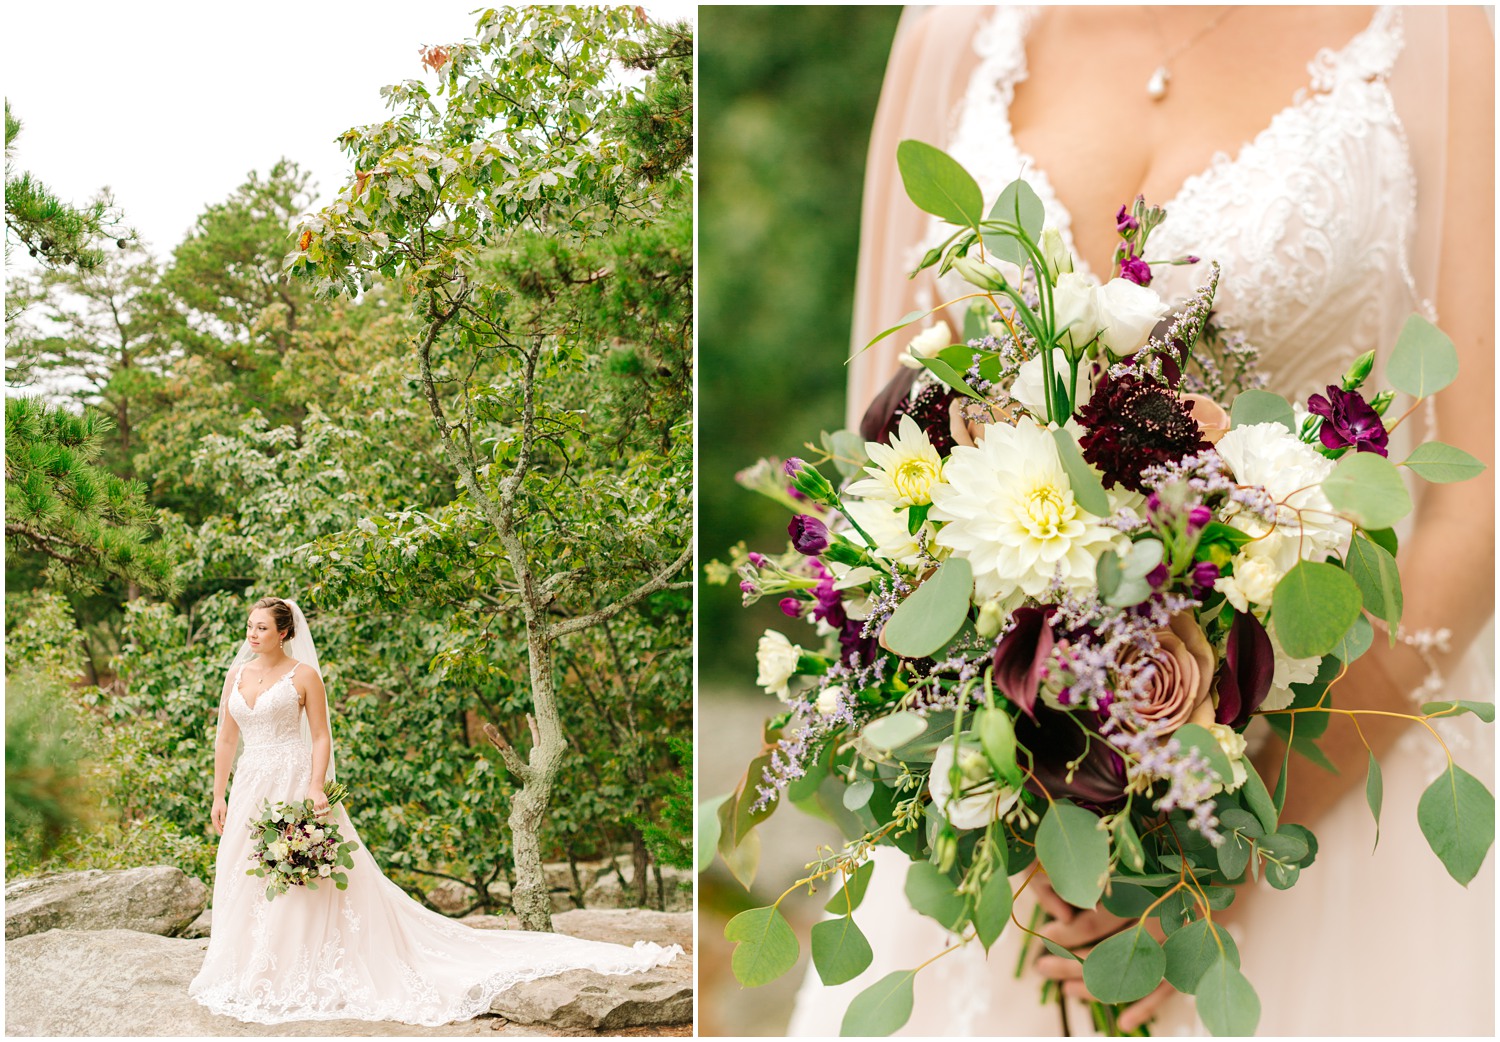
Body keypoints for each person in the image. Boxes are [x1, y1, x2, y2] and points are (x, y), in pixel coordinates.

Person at [789, 6, 1494, 1036]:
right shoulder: (954, 29)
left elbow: (1481, 491)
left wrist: (1214, 858)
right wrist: (999, 802)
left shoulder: (1441, 32)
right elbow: (888, 458)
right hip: (1022, 838)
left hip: (1332, 766)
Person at [187, 596, 679, 1026]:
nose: (252, 635)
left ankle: (297, 965)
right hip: (251, 782)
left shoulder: (304, 675)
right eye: (249, 627)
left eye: (262, 628)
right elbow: (226, 736)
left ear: (285, 633)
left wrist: (315, 787)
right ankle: (250, 965)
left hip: (293, 782)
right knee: (245, 872)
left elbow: (320, 736)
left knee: (303, 874)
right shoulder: (238, 673)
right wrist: (218, 793)